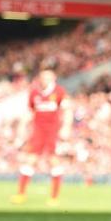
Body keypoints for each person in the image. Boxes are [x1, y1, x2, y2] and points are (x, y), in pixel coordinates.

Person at [11, 69, 72, 206]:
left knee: (53, 161)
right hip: (38, 131)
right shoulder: (34, 93)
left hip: (52, 132)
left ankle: (54, 197)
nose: (45, 80)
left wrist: (66, 127)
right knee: (30, 160)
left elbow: (68, 110)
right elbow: (30, 112)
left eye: (48, 77)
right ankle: (21, 194)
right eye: (43, 77)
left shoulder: (59, 91)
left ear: (54, 78)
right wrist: (22, 127)